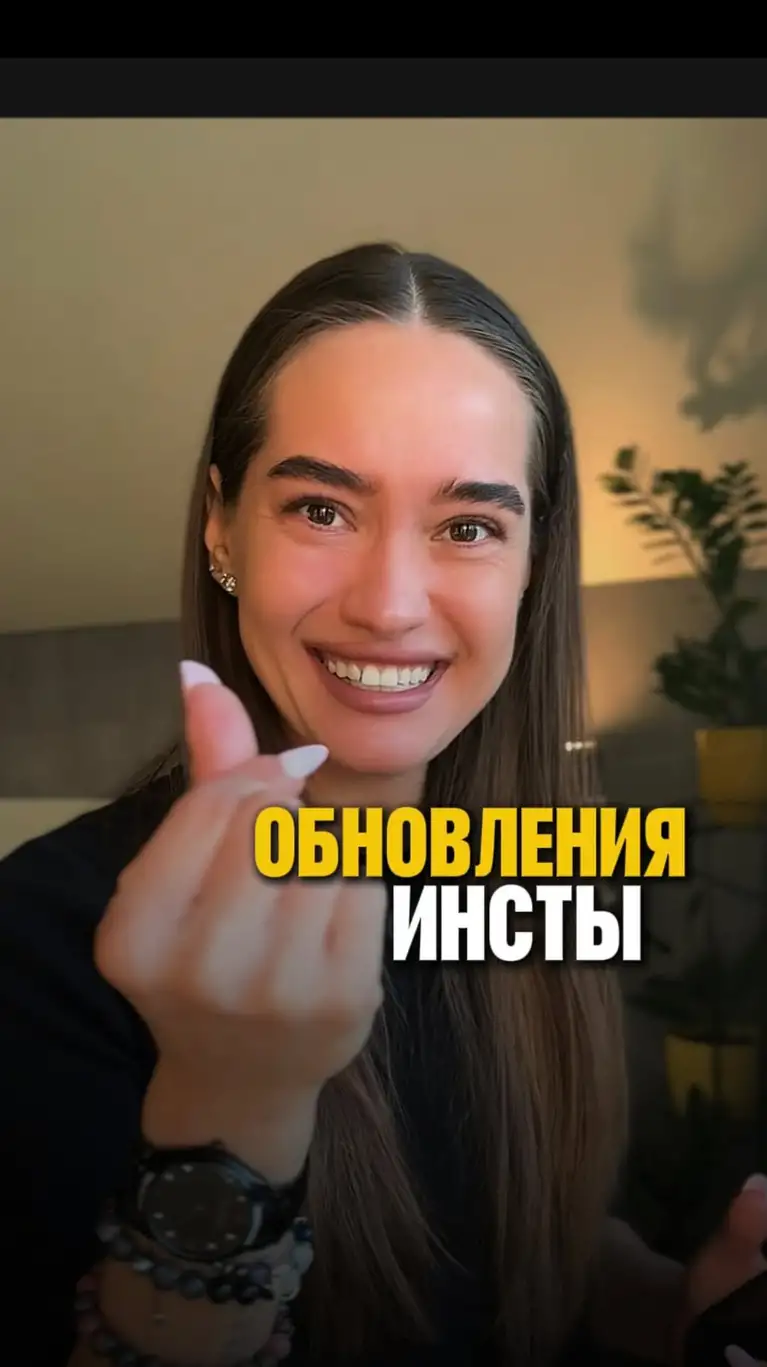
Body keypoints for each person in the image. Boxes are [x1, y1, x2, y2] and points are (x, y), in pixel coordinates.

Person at [0, 242, 765, 1367]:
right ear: (221, 525)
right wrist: (228, 1103)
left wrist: (664, 1305)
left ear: (530, 561)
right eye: (320, 508)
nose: (389, 605)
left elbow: (495, 1239)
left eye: (467, 526)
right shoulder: (43, 929)